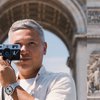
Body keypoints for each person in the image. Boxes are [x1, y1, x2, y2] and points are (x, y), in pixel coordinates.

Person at [0, 19, 76, 100]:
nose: (24, 50)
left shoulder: (61, 80)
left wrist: (11, 86)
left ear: (44, 48)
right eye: (17, 45)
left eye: (31, 43)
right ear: (8, 49)